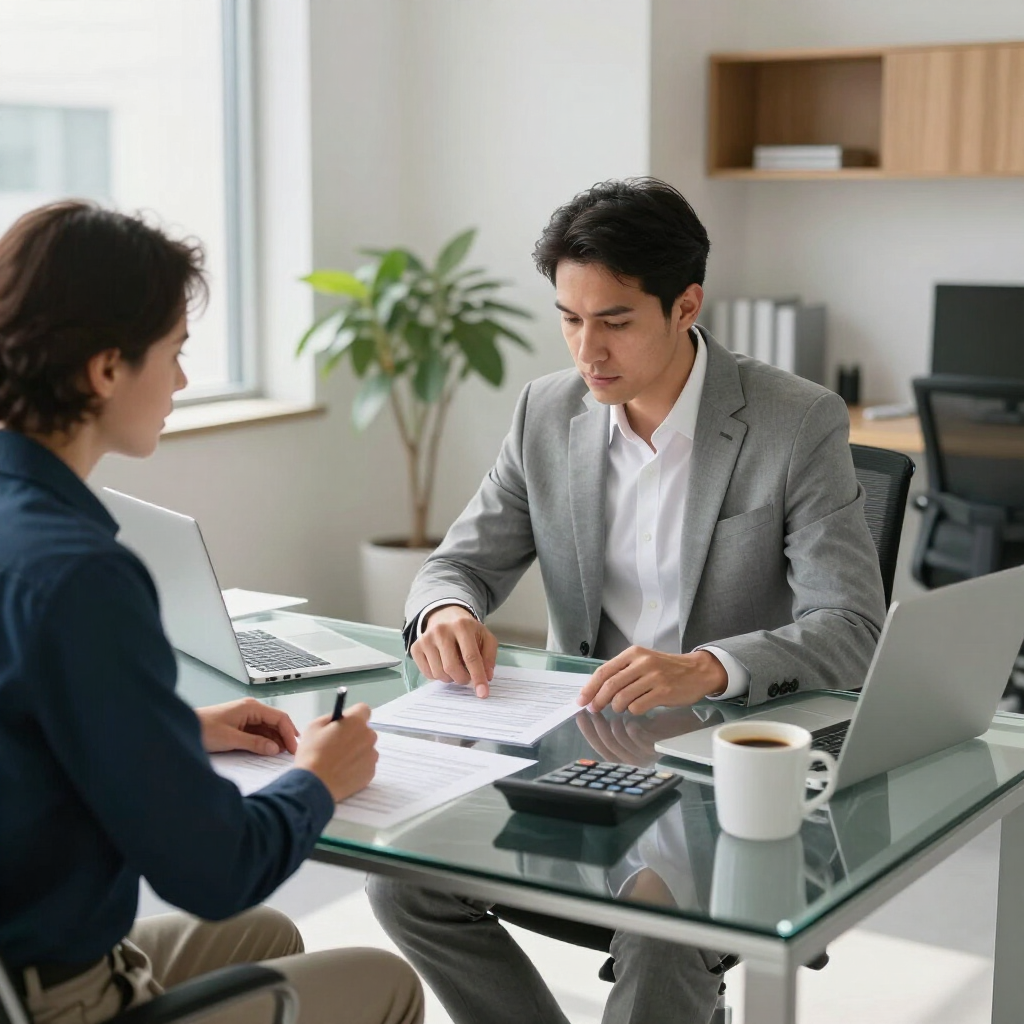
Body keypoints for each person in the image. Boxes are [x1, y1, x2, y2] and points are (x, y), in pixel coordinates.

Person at [367, 177, 886, 1024]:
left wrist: (708, 668)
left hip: (720, 768)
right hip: (579, 755)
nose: (587, 351)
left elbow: (853, 627)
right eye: (569, 319)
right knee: (399, 882)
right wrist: (446, 613)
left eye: (614, 321)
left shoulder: (796, 423)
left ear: (686, 305)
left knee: (659, 929)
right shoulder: (546, 412)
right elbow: (457, 563)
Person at [0, 201, 423, 1024]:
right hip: (57, 998)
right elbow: (213, 870)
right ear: (106, 369)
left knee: (265, 937)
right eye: (175, 353)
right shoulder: (81, 575)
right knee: (385, 981)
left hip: (24, 952)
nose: (184, 382)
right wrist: (318, 781)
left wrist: (175, 728)